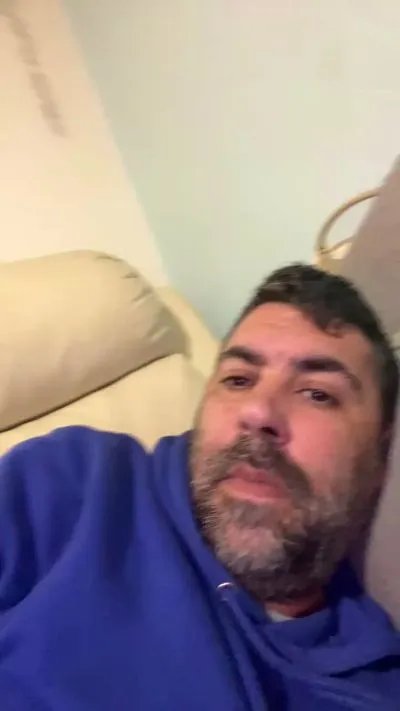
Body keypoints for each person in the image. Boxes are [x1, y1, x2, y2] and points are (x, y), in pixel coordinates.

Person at [0, 264, 399, 711]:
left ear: (380, 453)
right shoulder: (73, 483)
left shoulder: (374, 686)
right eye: (238, 380)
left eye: (317, 394)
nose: (257, 412)